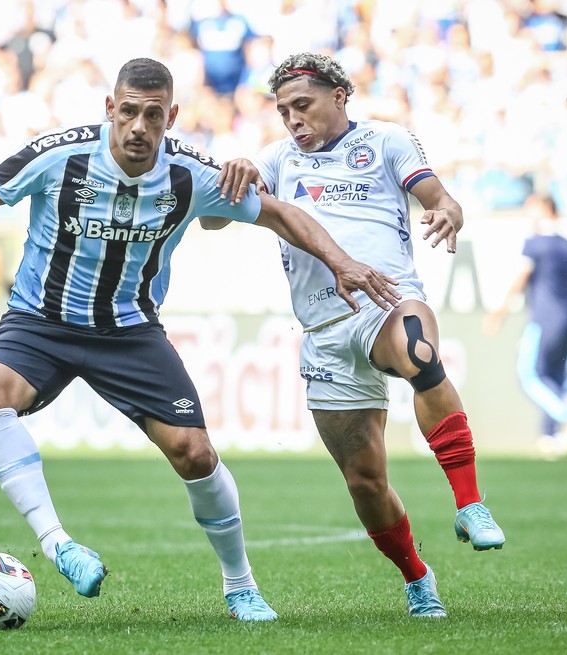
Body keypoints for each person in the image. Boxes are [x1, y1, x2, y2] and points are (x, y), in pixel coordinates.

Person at [0, 57, 400, 622]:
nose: (138, 128)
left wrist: (341, 262)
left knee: (194, 453)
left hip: (129, 332)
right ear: (110, 109)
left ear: (170, 117)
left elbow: (280, 215)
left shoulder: (189, 173)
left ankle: (240, 585)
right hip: (41, 322)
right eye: (128, 112)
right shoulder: (61, 155)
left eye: (153, 116)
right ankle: (59, 545)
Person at [206, 52, 505, 618]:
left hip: (386, 301)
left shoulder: (387, 142)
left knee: (420, 350)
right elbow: (213, 220)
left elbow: (438, 196)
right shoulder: (275, 160)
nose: (293, 120)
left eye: (304, 105)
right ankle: (417, 577)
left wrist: (449, 211)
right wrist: (232, 180)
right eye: (284, 111)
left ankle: (470, 504)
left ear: (339, 96)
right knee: (366, 481)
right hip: (322, 332)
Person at [483, 193, 567, 458]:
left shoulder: (535, 244)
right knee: (553, 376)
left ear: (545, 209)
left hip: (543, 318)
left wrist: (500, 313)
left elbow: (521, 279)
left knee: (529, 375)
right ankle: (549, 438)